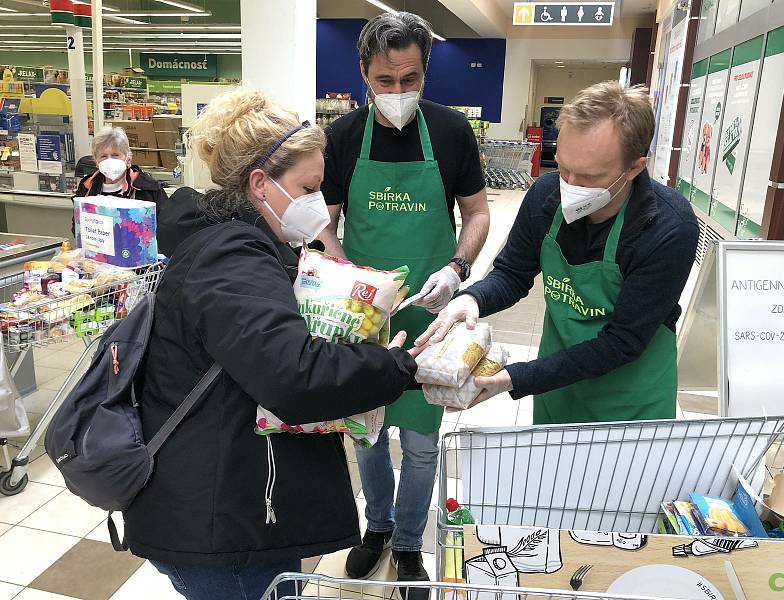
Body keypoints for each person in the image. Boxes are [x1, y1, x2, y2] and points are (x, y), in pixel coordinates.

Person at [122, 89, 421, 600]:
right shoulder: (231, 258)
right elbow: (293, 376)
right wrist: (392, 366)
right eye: (308, 188)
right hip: (219, 525)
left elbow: (257, 352)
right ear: (260, 184)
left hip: (225, 496)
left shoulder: (227, 239)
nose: (317, 206)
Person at [316, 11, 489, 589]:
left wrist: (456, 268)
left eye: (409, 79)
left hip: (429, 313)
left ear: (424, 73)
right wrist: (342, 270)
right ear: (364, 73)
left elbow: (478, 212)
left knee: (419, 442)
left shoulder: (450, 132)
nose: (398, 93)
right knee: (367, 435)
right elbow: (325, 222)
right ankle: (378, 526)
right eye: (385, 81)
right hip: (365, 314)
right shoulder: (341, 138)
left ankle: (411, 539)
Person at [418, 81, 700, 425]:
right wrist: (471, 300)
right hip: (558, 382)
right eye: (564, 168)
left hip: (631, 398)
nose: (569, 186)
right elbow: (512, 273)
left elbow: (623, 342)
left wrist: (514, 378)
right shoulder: (547, 195)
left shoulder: (667, 227)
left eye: (589, 177)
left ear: (634, 168)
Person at [73, 126, 167, 238]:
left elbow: (165, 230)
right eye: (103, 156)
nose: (109, 160)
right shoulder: (87, 187)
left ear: (128, 158)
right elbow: (77, 227)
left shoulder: (148, 188)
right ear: (96, 162)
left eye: (115, 155)